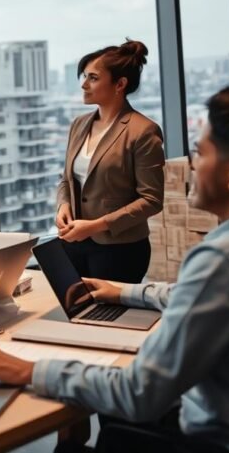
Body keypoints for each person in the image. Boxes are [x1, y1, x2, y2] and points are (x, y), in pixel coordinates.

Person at [0, 86, 229, 453]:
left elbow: (140, 393)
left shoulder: (225, 260)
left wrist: (30, 370)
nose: (191, 165)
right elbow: (190, 295)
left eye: (201, 153)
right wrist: (122, 291)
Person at [56, 40, 165, 283]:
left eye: (93, 78)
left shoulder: (143, 131)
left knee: (110, 319)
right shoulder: (79, 124)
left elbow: (152, 200)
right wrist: (63, 206)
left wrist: (96, 225)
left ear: (120, 84)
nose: (84, 84)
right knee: (76, 316)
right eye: (84, 76)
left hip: (120, 250)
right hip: (73, 245)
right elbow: (66, 179)